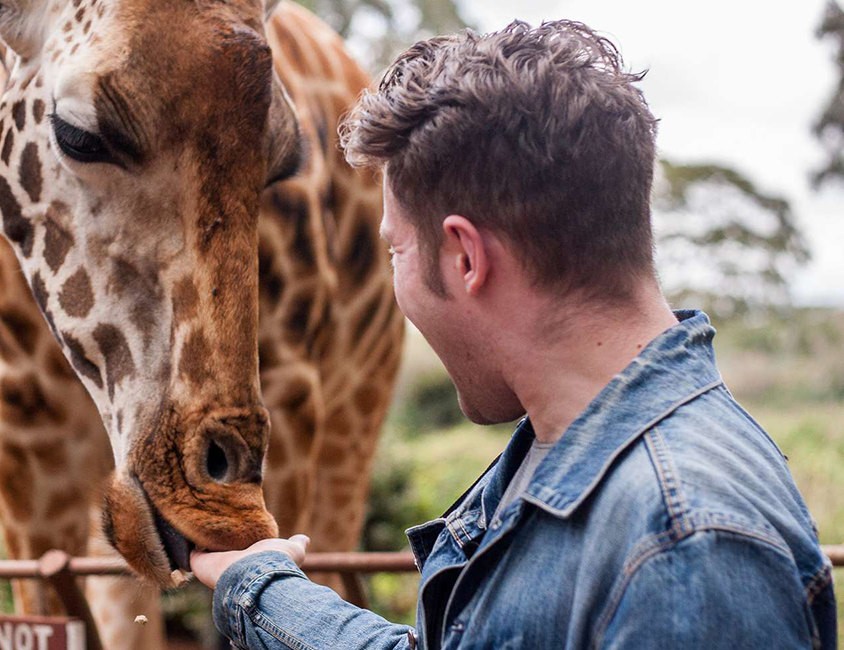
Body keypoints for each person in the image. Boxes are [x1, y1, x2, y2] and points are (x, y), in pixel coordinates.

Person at [190, 19, 837, 650]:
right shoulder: (576, 447)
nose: (394, 280)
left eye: (396, 251)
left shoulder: (686, 550)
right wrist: (263, 591)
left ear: (465, 258)